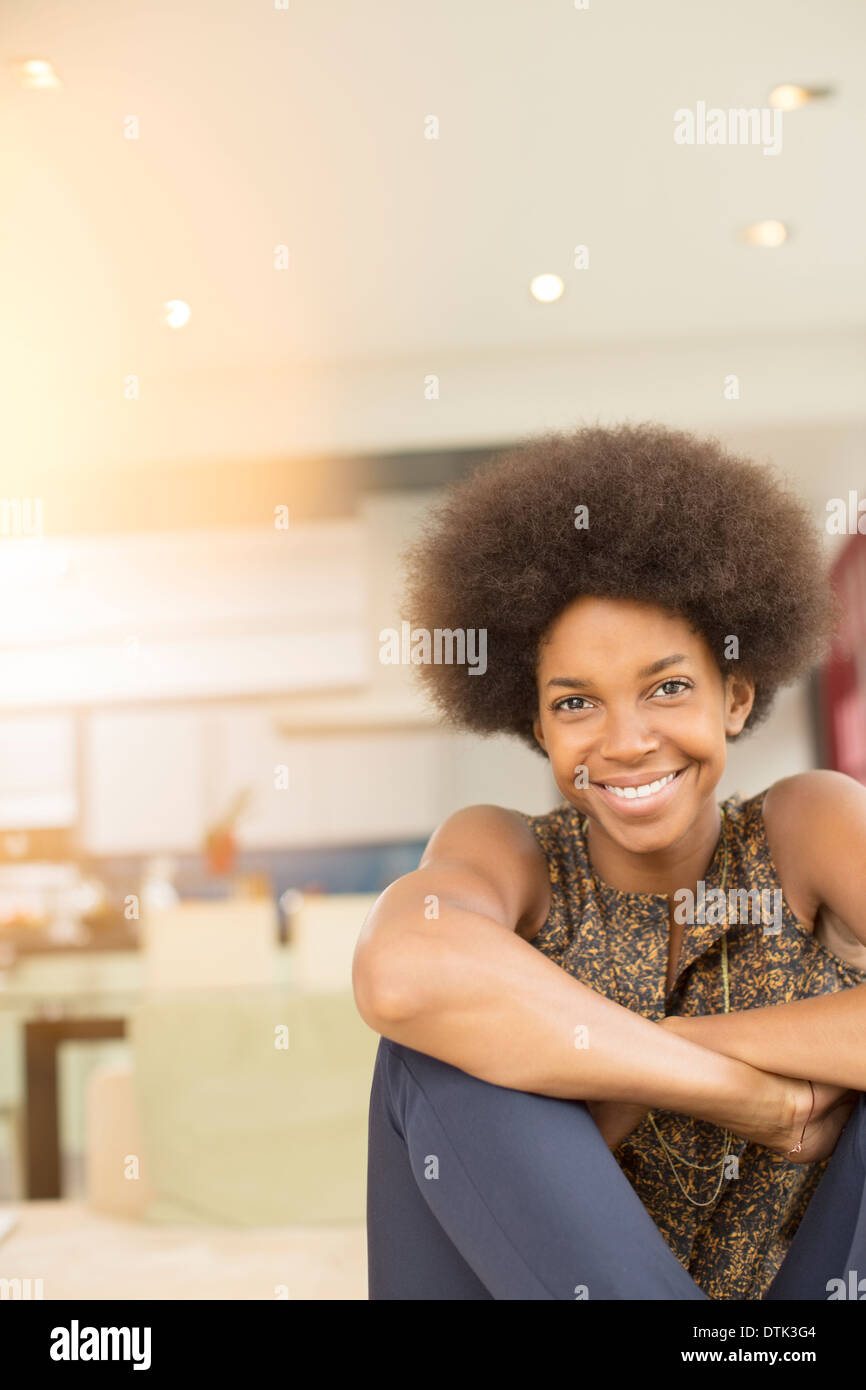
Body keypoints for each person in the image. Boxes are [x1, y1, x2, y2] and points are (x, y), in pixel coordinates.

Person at [352, 421, 866, 1300]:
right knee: (429, 1053)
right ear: (540, 727)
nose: (627, 743)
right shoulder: (510, 850)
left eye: (668, 687)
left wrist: (675, 1048)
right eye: (577, 702)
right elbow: (399, 972)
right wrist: (755, 1097)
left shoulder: (805, 822)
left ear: (735, 697)